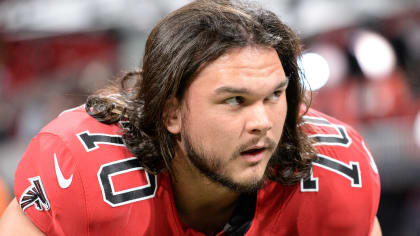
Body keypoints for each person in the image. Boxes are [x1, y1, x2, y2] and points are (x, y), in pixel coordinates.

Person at [0, 0, 381, 235]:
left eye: (275, 95)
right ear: (171, 112)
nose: (262, 122)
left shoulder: (335, 174)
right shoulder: (80, 175)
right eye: (235, 100)